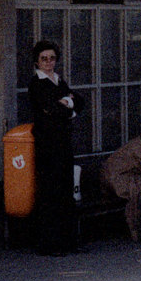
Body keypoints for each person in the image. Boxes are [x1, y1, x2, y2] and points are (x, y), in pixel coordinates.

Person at [27, 39, 86, 255]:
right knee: (50, 192)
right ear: (37, 61)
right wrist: (66, 104)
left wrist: (67, 103)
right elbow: (50, 110)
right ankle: (50, 244)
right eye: (44, 59)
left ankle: (68, 241)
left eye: (52, 58)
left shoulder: (58, 80)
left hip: (63, 142)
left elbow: (79, 101)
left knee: (65, 189)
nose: (48, 62)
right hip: (47, 144)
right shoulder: (37, 84)